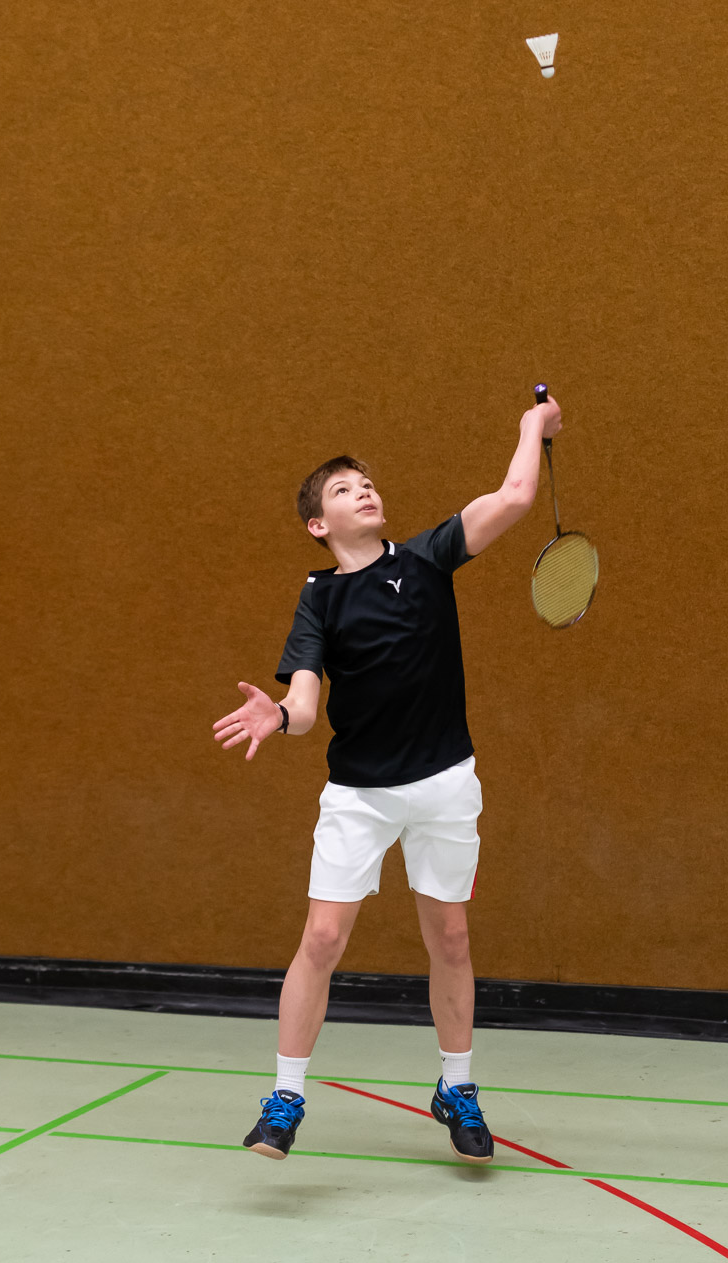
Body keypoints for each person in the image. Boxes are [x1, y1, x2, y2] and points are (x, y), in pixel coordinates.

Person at [212, 392, 562, 1164]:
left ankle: (456, 1087)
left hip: (444, 784)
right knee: (322, 936)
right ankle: (285, 1097)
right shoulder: (319, 599)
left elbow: (514, 497)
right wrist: (277, 715)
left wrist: (531, 427)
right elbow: (307, 707)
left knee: (451, 936)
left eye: (366, 483)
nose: (363, 491)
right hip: (359, 796)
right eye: (343, 489)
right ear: (318, 524)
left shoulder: (429, 556)